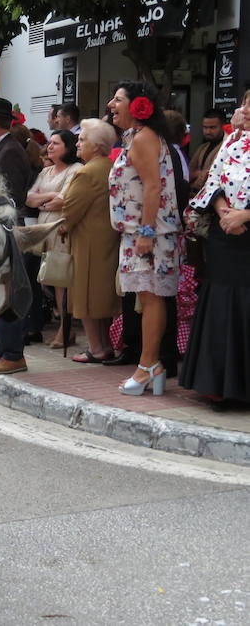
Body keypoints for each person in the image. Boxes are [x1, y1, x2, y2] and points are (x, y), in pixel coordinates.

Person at [107, 80, 181, 396]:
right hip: (141, 233)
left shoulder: (144, 138)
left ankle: (149, 365)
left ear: (139, 106)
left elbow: (153, 187)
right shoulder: (136, 137)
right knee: (147, 299)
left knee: (150, 299)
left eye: (118, 99)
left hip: (150, 234)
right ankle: (150, 366)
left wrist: (147, 233)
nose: (111, 104)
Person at [180, 89, 250, 403]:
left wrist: (245, 215)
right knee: (222, 299)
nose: (246, 110)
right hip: (225, 233)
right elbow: (214, 181)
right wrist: (224, 211)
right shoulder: (233, 141)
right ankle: (218, 382)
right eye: (246, 103)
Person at [0, 97, 34, 375]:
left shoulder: (9, 150)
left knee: (8, 289)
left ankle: (13, 353)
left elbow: (10, 196)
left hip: (6, 227)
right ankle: (1, 348)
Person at [60, 119, 120, 362]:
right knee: (103, 298)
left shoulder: (86, 172)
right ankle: (105, 345)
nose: (77, 142)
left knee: (86, 297)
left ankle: (96, 348)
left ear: (97, 146)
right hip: (107, 239)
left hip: (88, 242)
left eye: (82, 139)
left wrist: (63, 223)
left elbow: (70, 209)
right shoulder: (109, 166)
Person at [25, 129, 80, 348]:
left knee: (60, 281)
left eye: (56, 143)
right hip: (44, 229)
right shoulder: (46, 172)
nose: (50, 146)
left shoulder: (76, 170)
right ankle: (65, 328)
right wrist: (48, 198)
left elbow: (64, 200)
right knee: (48, 279)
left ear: (68, 147)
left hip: (61, 229)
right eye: (50, 142)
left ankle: (65, 329)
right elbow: (29, 198)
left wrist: (43, 200)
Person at [188, 108, 226, 194]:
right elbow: (188, 173)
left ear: (222, 126)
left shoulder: (228, 147)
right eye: (205, 127)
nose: (208, 131)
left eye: (212, 127)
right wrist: (200, 173)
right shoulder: (202, 148)